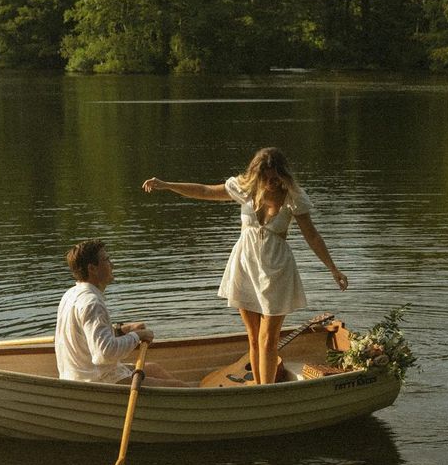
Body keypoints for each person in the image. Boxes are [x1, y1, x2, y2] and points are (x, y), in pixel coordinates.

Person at [142, 147, 348, 385]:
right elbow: (205, 190)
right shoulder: (245, 189)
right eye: (266, 178)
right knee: (253, 338)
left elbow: (312, 236)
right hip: (245, 266)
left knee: (269, 339)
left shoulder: (293, 196)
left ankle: (266, 391)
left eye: (275, 177)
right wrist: (167, 184)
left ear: (283, 174)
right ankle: (260, 390)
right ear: (257, 175)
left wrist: (333, 268)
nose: (271, 183)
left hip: (277, 270)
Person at [55, 240, 189, 387]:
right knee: (179, 387)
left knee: (153, 368)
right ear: (92, 268)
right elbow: (105, 354)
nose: (112, 265)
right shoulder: (92, 303)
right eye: (106, 260)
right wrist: (137, 336)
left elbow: (89, 336)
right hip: (98, 381)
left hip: (81, 375)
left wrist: (121, 330)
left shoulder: (70, 294)